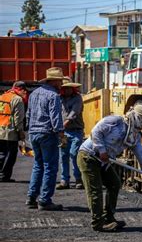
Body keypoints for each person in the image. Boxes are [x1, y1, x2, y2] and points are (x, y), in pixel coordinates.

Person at [77, 104, 142, 232]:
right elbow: (96, 132)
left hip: (104, 162)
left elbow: (141, 154)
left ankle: (108, 218)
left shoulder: (134, 136)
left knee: (114, 183)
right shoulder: (115, 121)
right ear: (135, 116)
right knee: (95, 190)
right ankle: (98, 223)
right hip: (89, 157)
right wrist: (102, 150)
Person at [26, 67, 65, 210]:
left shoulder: (34, 93)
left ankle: (31, 197)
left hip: (33, 132)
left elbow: (29, 114)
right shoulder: (53, 95)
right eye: (60, 81)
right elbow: (55, 116)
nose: (61, 84)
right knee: (50, 167)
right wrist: (61, 134)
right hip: (47, 133)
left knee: (38, 165)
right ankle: (45, 200)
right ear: (54, 82)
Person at [56, 77, 85, 190]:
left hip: (76, 131)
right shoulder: (59, 98)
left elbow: (74, 113)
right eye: (65, 88)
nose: (67, 90)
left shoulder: (77, 98)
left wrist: (62, 125)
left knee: (74, 154)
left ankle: (78, 179)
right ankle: (64, 180)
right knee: (63, 155)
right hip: (64, 132)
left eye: (69, 88)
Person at [0, 81, 27, 182]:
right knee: (11, 154)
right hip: (10, 131)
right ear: (21, 89)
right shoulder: (17, 99)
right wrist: (20, 132)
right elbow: (18, 118)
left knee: (1, 153)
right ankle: (4, 176)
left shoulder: (2, 96)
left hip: (0, 129)